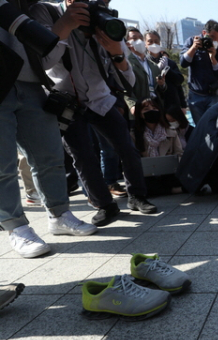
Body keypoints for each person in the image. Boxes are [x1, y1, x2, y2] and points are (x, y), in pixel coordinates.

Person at [31, 0, 158, 227]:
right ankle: (104, 205)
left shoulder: (102, 17)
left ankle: (137, 196)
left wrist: (117, 53)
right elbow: (43, 61)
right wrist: (65, 25)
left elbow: (127, 81)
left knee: (127, 148)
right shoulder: (46, 11)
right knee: (83, 156)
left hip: (101, 98)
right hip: (66, 100)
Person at [1, 0, 98, 259]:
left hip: (32, 83)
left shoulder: (34, 7)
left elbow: (45, 58)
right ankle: (16, 227)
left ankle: (59, 214)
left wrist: (63, 26)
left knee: (51, 156)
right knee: (3, 164)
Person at [131, 98, 183, 196]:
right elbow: (132, 159)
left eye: (154, 108)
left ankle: (167, 190)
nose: (151, 111)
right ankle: (173, 190)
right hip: (147, 175)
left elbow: (179, 153)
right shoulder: (134, 135)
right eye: (146, 109)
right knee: (144, 185)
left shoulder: (171, 132)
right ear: (140, 114)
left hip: (168, 172)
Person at [180, 20, 218, 124]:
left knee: (214, 125)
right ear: (204, 33)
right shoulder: (191, 42)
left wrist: (213, 59)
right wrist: (193, 48)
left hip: (213, 95)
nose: (216, 41)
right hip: (195, 95)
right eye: (212, 37)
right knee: (200, 128)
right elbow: (183, 63)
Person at [145, 30, 187, 112]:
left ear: (159, 42)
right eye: (150, 41)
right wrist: (156, 70)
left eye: (156, 41)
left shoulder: (169, 62)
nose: (154, 44)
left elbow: (179, 82)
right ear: (145, 44)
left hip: (172, 104)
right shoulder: (144, 62)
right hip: (154, 105)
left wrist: (183, 105)